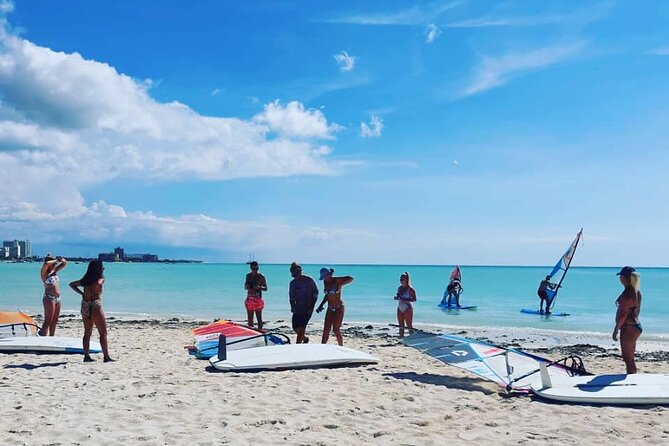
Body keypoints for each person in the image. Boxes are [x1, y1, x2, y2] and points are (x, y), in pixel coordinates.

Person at [69, 260, 113, 363]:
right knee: (103, 333)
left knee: (87, 333)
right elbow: (99, 283)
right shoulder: (100, 279)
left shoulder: (85, 280)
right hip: (95, 305)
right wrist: (101, 276)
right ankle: (106, 356)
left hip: (85, 305)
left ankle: (86, 356)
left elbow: (72, 284)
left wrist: (82, 293)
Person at [613, 266, 642, 374]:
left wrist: (616, 329)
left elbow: (623, 314)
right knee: (630, 358)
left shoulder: (627, 294)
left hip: (629, 328)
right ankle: (631, 378)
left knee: (628, 359)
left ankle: (632, 381)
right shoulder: (637, 292)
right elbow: (637, 311)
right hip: (635, 326)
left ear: (624, 278)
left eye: (620, 276)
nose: (619, 278)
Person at [316, 267, 354, 346]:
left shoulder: (336, 280)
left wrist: (340, 284)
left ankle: (341, 347)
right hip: (330, 308)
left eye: (325, 277)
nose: (324, 279)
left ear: (329, 274)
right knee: (326, 329)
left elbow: (351, 278)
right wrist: (321, 305)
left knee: (336, 330)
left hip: (339, 307)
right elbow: (327, 295)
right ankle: (322, 347)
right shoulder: (325, 282)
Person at [288, 262, 318, 344]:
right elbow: (291, 297)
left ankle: (297, 346)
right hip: (298, 308)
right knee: (295, 327)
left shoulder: (309, 280)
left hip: (308, 308)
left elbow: (315, 293)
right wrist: (292, 307)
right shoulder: (293, 283)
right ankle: (305, 339)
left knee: (301, 329)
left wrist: (312, 307)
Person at [39, 254, 68, 336]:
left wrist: (61, 259)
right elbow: (46, 264)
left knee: (55, 320)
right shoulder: (44, 273)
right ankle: (42, 337)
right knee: (48, 320)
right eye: (54, 263)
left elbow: (65, 263)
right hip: (49, 298)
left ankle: (52, 336)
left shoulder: (54, 271)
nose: (55, 265)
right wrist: (56, 260)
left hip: (57, 298)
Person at [244, 261, 267, 330]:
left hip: (258, 299)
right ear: (251, 268)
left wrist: (259, 287)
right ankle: (251, 333)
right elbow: (245, 287)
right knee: (250, 319)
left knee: (259, 318)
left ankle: (260, 332)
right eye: (254, 269)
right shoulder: (248, 276)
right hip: (250, 298)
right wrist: (247, 286)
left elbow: (265, 288)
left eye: (257, 269)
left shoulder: (261, 276)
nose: (255, 270)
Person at [395, 272, 416, 338]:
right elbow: (398, 296)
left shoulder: (410, 289)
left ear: (407, 280)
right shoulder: (399, 288)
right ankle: (401, 337)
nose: (401, 281)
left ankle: (412, 338)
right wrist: (396, 297)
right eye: (400, 279)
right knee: (401, 325)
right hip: (400, 307)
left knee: (409, 325)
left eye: (402, 279)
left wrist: (406, 300)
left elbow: (414, 299)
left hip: (407, 308)